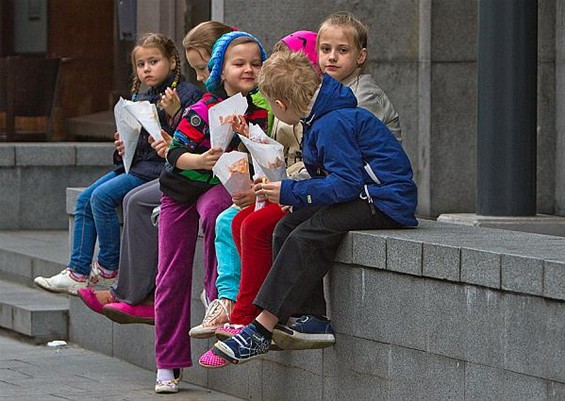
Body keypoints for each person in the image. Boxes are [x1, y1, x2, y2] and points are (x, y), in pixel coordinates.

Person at [206, 50, 418, 367]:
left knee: (307, 235)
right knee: (286, 228)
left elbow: (345, 183)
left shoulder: (332, 122)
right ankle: (311, 317)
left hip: (384, 200)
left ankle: (261, 328)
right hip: (366, 194)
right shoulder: (323, 115)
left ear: (280, 105)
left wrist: (291, 190)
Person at [75, 21, 234, 323]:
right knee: (117, 200)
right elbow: (184, 145)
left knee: (152, 202)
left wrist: (175, 128)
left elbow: (198, 147)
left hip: (203, 178)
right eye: (198, 70)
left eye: (204, 69)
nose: (200, 77)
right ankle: (133, 294)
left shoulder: (192, 95)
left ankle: (195, 294)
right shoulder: (160, 97)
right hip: (182, 172)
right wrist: (128, 145)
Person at [33, 33, 202, 295]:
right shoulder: (140, 96)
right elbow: (136, 145)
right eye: (141, 64)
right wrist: (123, 146)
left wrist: (175, 112)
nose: (147, 69)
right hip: (136, 166)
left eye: (154, 61)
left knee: (101, 197)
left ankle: (109, 266)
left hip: (158, 171)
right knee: (84, 199)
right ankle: (78, 271)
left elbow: (190, 139)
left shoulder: (187, 94)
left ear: (171, 61)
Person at [194, 31, 319, 368]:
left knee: (252, 224)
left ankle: (249, 314)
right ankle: (229, 300)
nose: (250, 71)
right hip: (288, 187)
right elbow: (282, 154)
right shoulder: (286, 104)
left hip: (312, 193)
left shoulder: (312, 107)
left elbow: (315, 165)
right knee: (229, 219)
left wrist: (275, 181)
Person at [153, 31, 268, 393]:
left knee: (220, 209)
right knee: (170, 273)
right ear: (220, 70)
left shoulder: (261, 109)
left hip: (217, 188)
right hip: (179, 189)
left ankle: (218, 296)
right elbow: (174, 154)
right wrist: (200, 159)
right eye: (239, 63)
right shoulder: (201, 109)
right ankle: (167, 363)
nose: (248, 69)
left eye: (255, 63)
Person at [317, 11, 402, 141]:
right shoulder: (325, 89)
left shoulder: (365, 96)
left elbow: (346, 143)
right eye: (326, 49)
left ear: (360, 56)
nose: (332, 57)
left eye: (343, 50)